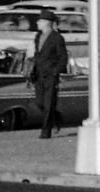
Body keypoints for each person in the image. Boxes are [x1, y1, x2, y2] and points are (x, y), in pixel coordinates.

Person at [31, 8, 69, 138]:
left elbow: (63, 57)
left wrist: (55, 72)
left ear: (47, 22)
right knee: (39, 103)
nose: (37, 23)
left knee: (48, 104)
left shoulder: (57, 38)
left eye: (40, 21)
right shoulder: (37, 36)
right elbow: (37, 54)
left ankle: (45, 132)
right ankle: (56, 117)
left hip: (51, 76)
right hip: (39, 75)